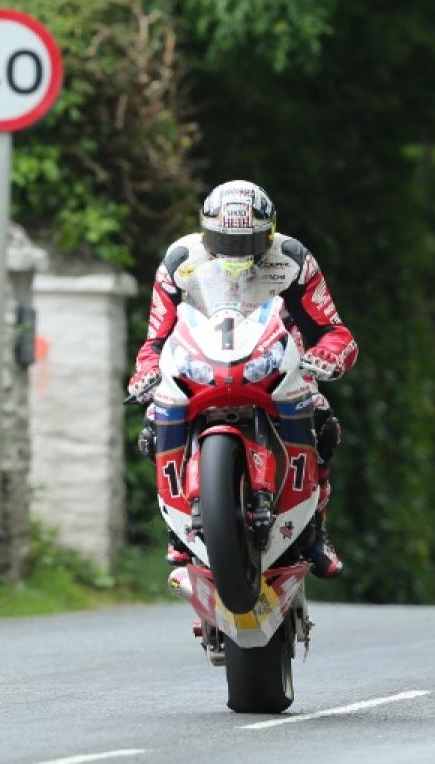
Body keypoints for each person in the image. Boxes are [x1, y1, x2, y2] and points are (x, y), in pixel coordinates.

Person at [127, 180, 358, 578]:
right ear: (205, 231)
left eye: (248, 240)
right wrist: (146, 372)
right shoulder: (180, 260)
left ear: (268, 233)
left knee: (324, 420)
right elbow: (155, 338)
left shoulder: (292, 259)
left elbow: (335, 331)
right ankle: (179, 531)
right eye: (224, 239)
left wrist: (325, 357)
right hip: (202, 363)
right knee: (152, 422)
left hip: (277, 363)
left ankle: (315, 530)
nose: (236, 251)